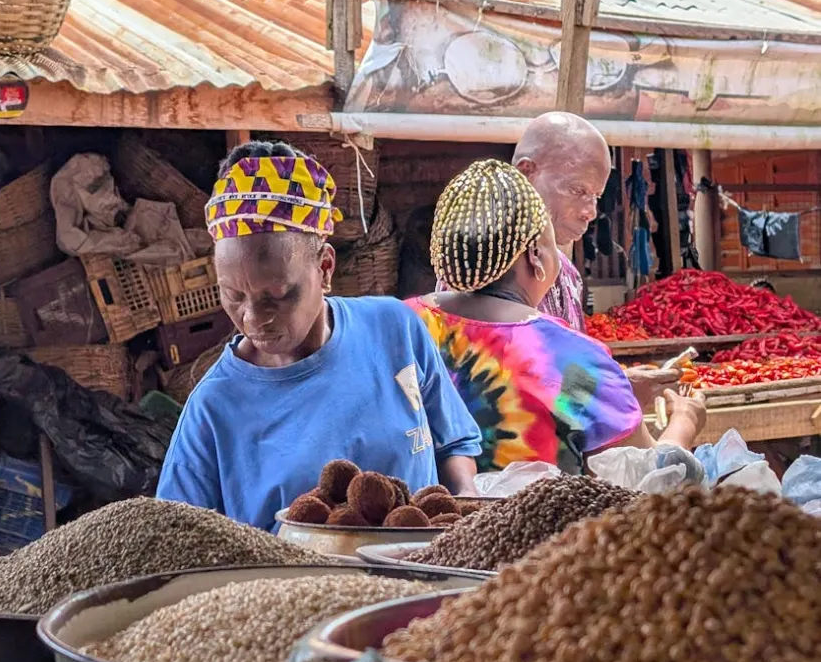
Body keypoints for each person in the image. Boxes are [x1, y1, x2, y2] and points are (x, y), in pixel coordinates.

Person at [156, 140, 481, 529]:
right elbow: (177, 537)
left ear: (325, 268)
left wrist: (466, 509)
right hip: (294, 591)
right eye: (233, 296)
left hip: (420, 582)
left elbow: (454, 445)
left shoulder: (395, 330)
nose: (254, 317)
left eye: (277, 295)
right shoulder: (215, 409)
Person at [408, 160, 706, 475]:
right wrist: (685, 421)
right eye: (554, 247)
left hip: (408, 521)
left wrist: (615, 390)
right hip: (531, 524)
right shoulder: (575, 359)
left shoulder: (397, 325)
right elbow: (650, 482)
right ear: (536, 257)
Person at [513, 111, 678, 409]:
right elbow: (518, 381)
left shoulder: (568, 275)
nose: (590, 211)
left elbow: (567, 375)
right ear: (526, 173)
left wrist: (615, 384)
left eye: (596, 196)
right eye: (577, 191)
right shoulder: (487, 268)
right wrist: (614, 390)